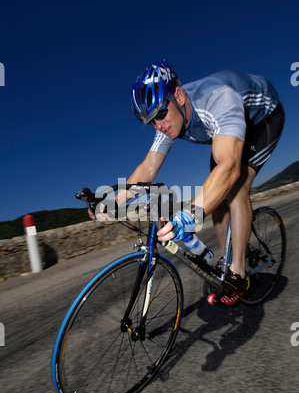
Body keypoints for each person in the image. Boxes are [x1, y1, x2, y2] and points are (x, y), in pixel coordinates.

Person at [104, 60, 284, 307]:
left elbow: (229, 168)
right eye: (152, 122)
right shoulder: (168, 119)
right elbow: (148, 168)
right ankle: (227, 263)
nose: (159, 125)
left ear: (178, 95)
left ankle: (239, 274)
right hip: (230, 128)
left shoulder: (218, 99)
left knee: (236, 186)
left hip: (263, 119)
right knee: (218, 197)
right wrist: (110, 202)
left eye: (161, 114)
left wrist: (190, 215)